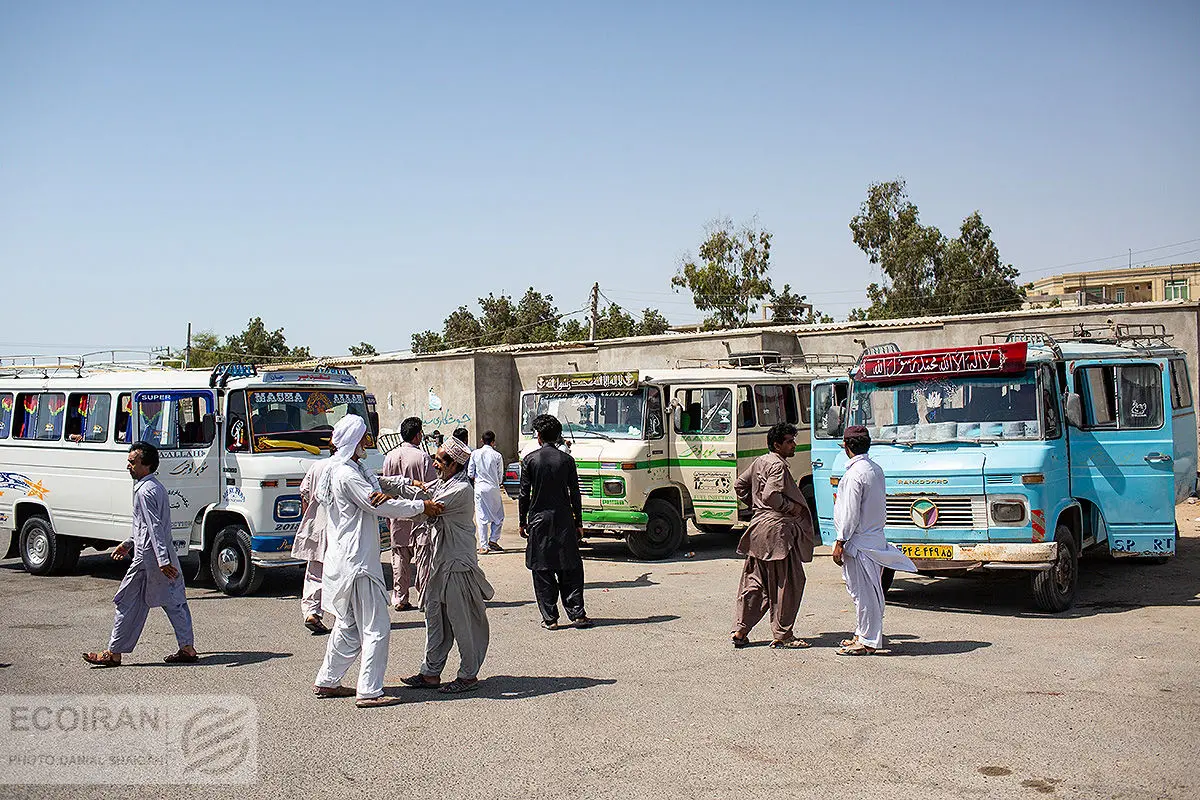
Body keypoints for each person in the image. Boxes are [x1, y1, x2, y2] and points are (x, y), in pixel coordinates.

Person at [312, 415, 443, 708]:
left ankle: (327, 680)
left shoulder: (342, 469)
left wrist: (409, 483)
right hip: (357, 562)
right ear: (353, 442)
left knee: (348, 626)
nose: (367, 444)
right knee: (377, 626)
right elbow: (376, 501)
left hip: (344, 559)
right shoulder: (346, 475)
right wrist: (422, 506)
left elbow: (378, 482)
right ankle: (369, 690)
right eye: (363, 440)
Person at [393, 437, 494, 694]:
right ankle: (430, 673)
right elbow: (418, 492)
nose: (435, 464)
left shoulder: (460, 490)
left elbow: (422, 510)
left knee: (463, 623)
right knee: (435, 618)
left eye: (439, 460)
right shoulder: (443, 483)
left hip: (456, 566)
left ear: (453, 465)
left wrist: (381, 505)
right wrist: (385, 485)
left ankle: (468, 675)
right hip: (440, 563)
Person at [83, 442, 197, 667]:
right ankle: (187, 648)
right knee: (174, 601)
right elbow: (146, 527)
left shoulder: (144, 491)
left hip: (148, 559)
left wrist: (162, 561)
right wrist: (129, 543)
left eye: (132, 462)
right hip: (156, 555)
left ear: (147, 465)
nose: (128, 466)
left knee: (127, 601)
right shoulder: (155, 487)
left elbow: (154, 527)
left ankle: (113, 653)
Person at [832, 426, 916, 656]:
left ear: (847, 447)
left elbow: (850, 513)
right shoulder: (874, 469)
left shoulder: (854, 475)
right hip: (872, 539)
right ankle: (862, 633)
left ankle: (868, 640)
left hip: (860, 542)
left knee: (866, 593)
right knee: (865, 592)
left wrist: (840, 541)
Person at [730, 422, 815, 650]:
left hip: (758, 530)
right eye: (789, 441)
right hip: (776, 533)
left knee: (755, 582)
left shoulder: (761, 461)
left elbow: (740, 486)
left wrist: (756, 508)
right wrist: (790, 508)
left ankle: (741, 629)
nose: (793, 444)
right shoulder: (777, 466)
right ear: (777, 445)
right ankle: (783, 634)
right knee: (789, 583)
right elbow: (770, 496)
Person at [519, 414, 592, 630]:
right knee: (570, 567)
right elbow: (575, 493)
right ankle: (577, 614)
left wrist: (522, 521)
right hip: (563, 520)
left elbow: (524, 494)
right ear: (558, 436)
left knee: (542, 569)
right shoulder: (567, 460)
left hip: (539, 520)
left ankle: (550, 618)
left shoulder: (530, 460)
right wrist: (579, 521)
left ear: (539, 436)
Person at [382, 417, 437, 611]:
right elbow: (431, 487)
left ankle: (400, 597)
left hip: (396, 511)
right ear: (417, 435)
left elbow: (386, 485)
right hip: (419, 512)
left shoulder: (389, 456)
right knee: (423, 555)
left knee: (399, 555)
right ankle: (424, 597)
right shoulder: (422, 457)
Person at [293, 445, 335, 634]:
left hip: (316, 525)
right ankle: (343, 616)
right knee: (338, 572)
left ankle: (312, 612)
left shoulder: (317, 466)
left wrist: (307, 519)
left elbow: (304, 494)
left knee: (314, 571)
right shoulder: (348, 469)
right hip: (337, 528)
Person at [468, 430, 505, 554]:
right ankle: (493, 539)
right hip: (493, 488)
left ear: (481, 441)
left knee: (481, 516)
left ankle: (483, 545)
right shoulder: (497, 455)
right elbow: (500, 476)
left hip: (479, 488)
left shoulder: (475, 454)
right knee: (498, 516)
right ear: (493, 442)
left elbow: (470, 473)